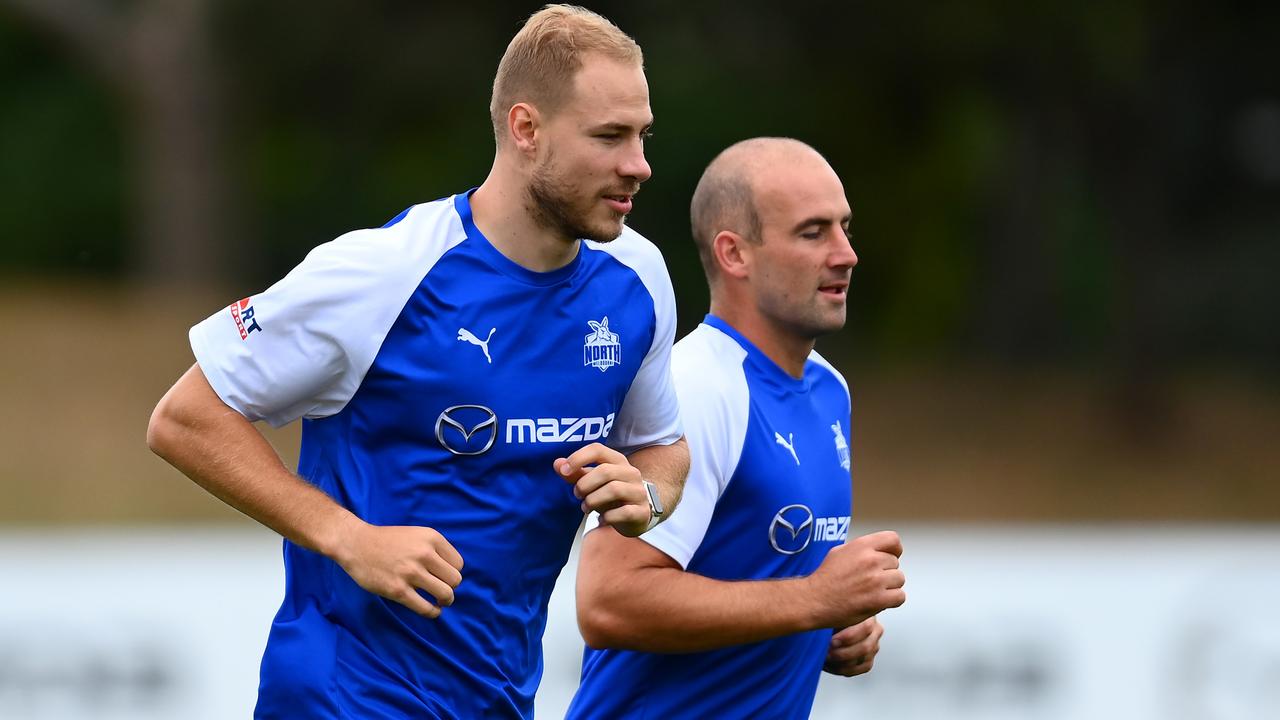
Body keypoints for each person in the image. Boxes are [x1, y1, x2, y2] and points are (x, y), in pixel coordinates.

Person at [145, 6, 689, 718]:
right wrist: (349, 538)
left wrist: (646, 495)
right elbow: (184, 419)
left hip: (495, 697)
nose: (639, 165)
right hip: (344, 694)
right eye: (609, 136)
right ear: (526, 129)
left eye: (642, 135)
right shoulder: (383, 272)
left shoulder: (638, 279)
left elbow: (662, 447)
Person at [566, 137, 905, 719]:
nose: (846, 253)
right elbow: (608, 602)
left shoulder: (828, 389)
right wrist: (813, 600)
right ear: (734, 254)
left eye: (845, 228)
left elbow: (760, 578)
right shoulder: (700, 386)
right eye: (812, 232)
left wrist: (826, 631)